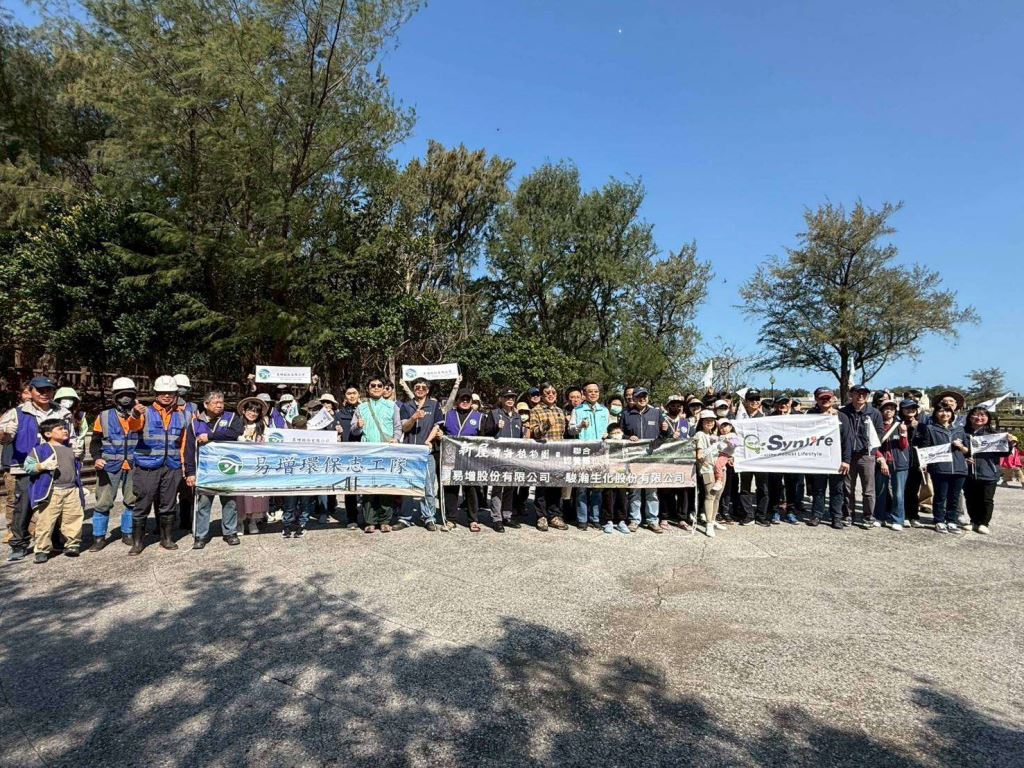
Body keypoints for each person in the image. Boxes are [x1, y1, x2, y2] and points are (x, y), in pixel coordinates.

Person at [1, 377, 74, 562]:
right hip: (25, 467)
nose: (44, 393)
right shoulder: (17, 413)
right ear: (31, 391)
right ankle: (19, 544)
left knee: (55, 505)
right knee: (23, 506)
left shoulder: (63, 412)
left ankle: (55, 540)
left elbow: (71, 437)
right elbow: (4, 438)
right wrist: (5, 434)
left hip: (55, 465)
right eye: (40, 390)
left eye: (48, 390)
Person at [124, 376, 187, 554]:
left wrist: (183, 463)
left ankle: (166, 539)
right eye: (163, 393)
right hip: (147, 466)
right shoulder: (145, 412)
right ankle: (138, 542)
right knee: (143, 503)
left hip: (172, 466)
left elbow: (183, 441)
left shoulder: (181, 414)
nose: (167, 396)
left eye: (170, 393)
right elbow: (133, 426)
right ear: (156, 394)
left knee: (168, 504)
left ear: (175, 394)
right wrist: (135, 414)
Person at [184, 391, 244, 548]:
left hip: (227, 468)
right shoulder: (195, 423)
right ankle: (201, 535)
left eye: (221, 402)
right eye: (216, 403)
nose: (219, 405)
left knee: (230, 502)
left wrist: (210, 437)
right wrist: (190, 472)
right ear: (206, 404)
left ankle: (230, 532)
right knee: (203, 503)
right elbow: (189, 450)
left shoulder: (231, 417)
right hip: (205, 471)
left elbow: (236, 433)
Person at [88, 377, 140, 550]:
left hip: (133, 464)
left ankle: (127, 533)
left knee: (132, 501)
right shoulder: (103, 416)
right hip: (108, 465)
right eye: (122, 395)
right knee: (103, 502)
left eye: (129, 395)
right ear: (115, 397)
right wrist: (97, 458)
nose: (126, 398)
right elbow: (95, 441)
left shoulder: (141, 415)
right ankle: (99, 537)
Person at [24, 418, 85, 562]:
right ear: (47, 434)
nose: (65, 430)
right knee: (45, 521)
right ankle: (42, 549)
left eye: (65, 428)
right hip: (51, 491)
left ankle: (72, 545)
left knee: (73, 518)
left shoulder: (70, 449)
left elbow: (75, 469)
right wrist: (41, 466)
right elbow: (27, 466)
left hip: (71, 489)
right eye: (60, 429)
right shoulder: (39, 450)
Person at [619, 386, 669, 534]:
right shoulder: (626, 414)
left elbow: (666, 435)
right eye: (639, 397)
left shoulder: (656, 413)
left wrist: (664, 431)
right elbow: (619, 434)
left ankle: (652, 520)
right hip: (634, 459)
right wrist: (628, 437)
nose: (642, 399)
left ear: (648, 398)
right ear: (633, 398)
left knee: (651, 491)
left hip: (652, 458)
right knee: (634, 490)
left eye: (645, 396)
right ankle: (634, 520)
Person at [356, 376, 403, 533]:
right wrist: (357, 426)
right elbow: (354, 430)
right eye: (373, 385)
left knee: (385, 486)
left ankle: (385, 520)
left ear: (384, 388)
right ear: (368, 388)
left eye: (379, 385)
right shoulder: (361, 407)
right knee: (368, 487)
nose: (376, 387)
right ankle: (369, 521)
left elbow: (398, 427)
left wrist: (396, 439)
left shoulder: (392, 406)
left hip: (386, 451)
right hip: (367, 452)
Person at [914, 402, 968, 533]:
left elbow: (967, 451)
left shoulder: (959, 429)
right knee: (940, 496)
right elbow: (925, 448)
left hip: (959, 468)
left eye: (948, 411)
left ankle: (952, 521)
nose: (945, 414)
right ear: (936, 413)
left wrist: (960, 446)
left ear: (952, 413)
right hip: (940, 468)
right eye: (941, 411)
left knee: (954, 497)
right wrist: (924, 463)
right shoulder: (930, 429)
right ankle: (939, 520)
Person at [397, 378, 443, 531]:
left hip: (427, 452)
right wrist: (413, 418)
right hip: (409, 452)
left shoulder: (435, 405)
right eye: (417, 387)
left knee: (428, 486)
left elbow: (437, 426)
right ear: (413, 389)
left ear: (428, 390)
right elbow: (404, 427)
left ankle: (428, 517)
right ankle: (405, 518)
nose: (420, 389)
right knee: (407, 485)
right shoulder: (406, 406)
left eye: (424, 387)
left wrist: (428, 441)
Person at [526, 383, 572, 531]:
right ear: (542, 395)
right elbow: (534, 433)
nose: (551, 395)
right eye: (547, 393)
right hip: (543, 454)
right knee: (542, 486)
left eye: (553, 392)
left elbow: (564, 433)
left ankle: (554, 515)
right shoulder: (536, 410)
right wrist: (545, 425)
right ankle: (541, 516)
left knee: (556, 486)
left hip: (558, 454)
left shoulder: (560, 411)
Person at [963, 406, 1016, 534]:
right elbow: (956, 451)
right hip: (968, 472)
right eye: (976, 415)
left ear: (988, 418)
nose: (979, 418)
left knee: (986, 499)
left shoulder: (994, 434)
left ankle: (984, 523)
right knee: (970, 498)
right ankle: (973, 521)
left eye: (983, 415)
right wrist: (964, 459)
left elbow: (1004, 453)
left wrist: (1009, 444)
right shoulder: (963, 433)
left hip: (989, 471)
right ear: (970, 417)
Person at [806, 387, 853, 529]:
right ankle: (816, 515)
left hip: (836, 460)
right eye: (822, 398)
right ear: (816, 399)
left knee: (837, 490)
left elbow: (847, 440)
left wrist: (846, 460)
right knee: (818, 489)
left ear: (833, 399)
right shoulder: (810, 415)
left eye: (828, 398)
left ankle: (836, 517)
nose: (825, 400)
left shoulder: (842, 417)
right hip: (818, 458)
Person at [839, 384, 885, 529]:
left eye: (864, 394)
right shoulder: (843, 412)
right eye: (857, 393)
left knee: (868, 489)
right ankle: (848, 515)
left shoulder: (874, 413)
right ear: (851, 395)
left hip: (866, 456)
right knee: (848, 488)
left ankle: (868, 516)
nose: (861, 396)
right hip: (848, 456)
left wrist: (871, 447)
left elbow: (880, 432)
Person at [482, 388, 527, 532]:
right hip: (498, 456)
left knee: (510, 487)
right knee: (497, 487)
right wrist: (496, 427)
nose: (510, 400)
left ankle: (507, 515)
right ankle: (496, 518)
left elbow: (520, 437)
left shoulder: (517, 417)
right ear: (501, 399)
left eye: (512, 397)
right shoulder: (494, 413)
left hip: (513, 457)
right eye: (507, 397)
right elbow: (486, 433)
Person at [441, 388, 486, 531]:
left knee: (471, 489)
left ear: (472, 402)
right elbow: (439, 431)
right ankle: (451, 519)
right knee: (451, 489)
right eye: (462, 399)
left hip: (470, 459)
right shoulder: (447, 415)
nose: (465, 401)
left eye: (468, 399)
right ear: (457, 401)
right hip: (451, 456)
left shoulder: (479, 417)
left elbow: (484, 439)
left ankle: (473, 519)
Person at [569, 382, 610, 530]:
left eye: (596, 391)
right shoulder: (577, 410)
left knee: (597, 487)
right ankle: (582, 519)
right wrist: (580, 426)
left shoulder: (604, 410)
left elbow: (609, 429)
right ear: (584, 394)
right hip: (583, 454)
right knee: (582, 488)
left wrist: (608, 434)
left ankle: (595, 518)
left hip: (600, 453)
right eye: (590, 391)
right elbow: (571, 430)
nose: (593, 394)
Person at [2, 384, 32, 546]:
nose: (29, 396)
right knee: (13, 498)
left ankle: (30, 529)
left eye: (31, 393)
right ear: (21, 395)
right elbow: (3, 436)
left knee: (32, 499)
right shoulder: (13, 414)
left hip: (33, 463)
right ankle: (11, 529)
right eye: (25, 393)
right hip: (12, 462)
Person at [235, 396, 270, 534]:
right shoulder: (236, 425)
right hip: (241, 466)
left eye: (256, 411)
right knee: (241, 494)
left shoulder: (263, 427)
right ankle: (239, 521)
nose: (253, 413)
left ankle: (253, 520)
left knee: (256, 494)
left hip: (256, 465)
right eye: (250, 410)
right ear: (244, 411)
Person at [657, 394, 693, 531]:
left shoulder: (685, 423)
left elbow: (692, 440)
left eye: (679, 405)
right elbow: (656, 440)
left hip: (682, 461)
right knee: (665, 489)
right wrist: (667, 435)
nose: (676, 408)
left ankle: (682, 518)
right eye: (673, 405)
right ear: (667, 407)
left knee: (683, 490)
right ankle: (664, 516)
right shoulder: (662, 420)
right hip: (665, 460)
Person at [736, 389, 770, 526]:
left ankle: (761, 515)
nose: (754, 402)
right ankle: (748, 515)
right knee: (745, 488)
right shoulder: (739, 417)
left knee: (763, 489)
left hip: (761, 459)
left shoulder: (766, 417)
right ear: (746, 401)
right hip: (745, 458)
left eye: (757, 399)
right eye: (751, 399)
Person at [333, 385, 364, 528]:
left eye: (354, 393)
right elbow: (331, 433)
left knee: (365, 486)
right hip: (347, 453)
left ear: (359, 394)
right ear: (345, 396)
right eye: (349, 393)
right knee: (350, 487)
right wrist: (335, 430)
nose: (352, 396)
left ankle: (367, 517)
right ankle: (352, 518)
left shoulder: (365, 410)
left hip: (365, 452)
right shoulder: (339, 414)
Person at [874, 398, 907, 530]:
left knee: (898, 493)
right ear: (881, 411)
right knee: (881, 491)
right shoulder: (877, 425)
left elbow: (904, 446)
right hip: (881, 462)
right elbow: (873, 445)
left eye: (892, 409)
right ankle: (879, 517)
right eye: (886, 408)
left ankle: (898, 519)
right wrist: (881, 459)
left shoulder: (899, 425)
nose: (889, 411)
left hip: (899, 463)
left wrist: (903, 434)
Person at [694, 410, 725, 538]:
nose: (709, 422)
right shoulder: (700, 434)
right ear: (701, 422)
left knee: (718, 495)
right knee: (710, 495)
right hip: (707, 469)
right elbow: (699, 455)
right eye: (706, 420)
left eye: (712, 420)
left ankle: (712, 519)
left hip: (720, 469)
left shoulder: (715, 435)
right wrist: (705, 458)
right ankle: (709, 524)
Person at [173, 374, 198, 533]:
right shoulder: (166, 407)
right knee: (166, 493)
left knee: (187, 492)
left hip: (188, 454)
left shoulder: (193, 408)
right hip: (171, 455)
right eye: (179, 388)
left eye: (185, 388)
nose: (182, 391)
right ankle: (162, 525)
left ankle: (185, 521)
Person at [601, 423, 630, 534]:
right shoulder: (605, 442)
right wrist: (604, 439)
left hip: (622, 472)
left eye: (618, 432)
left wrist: (629, 437)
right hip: (609, 473)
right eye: (614, 433)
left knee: (622, 497)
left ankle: (621, 521)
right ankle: (608, 521)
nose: (616, 435)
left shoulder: (626, 441)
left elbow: (630, 438)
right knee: (608, 496)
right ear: (609, 434)